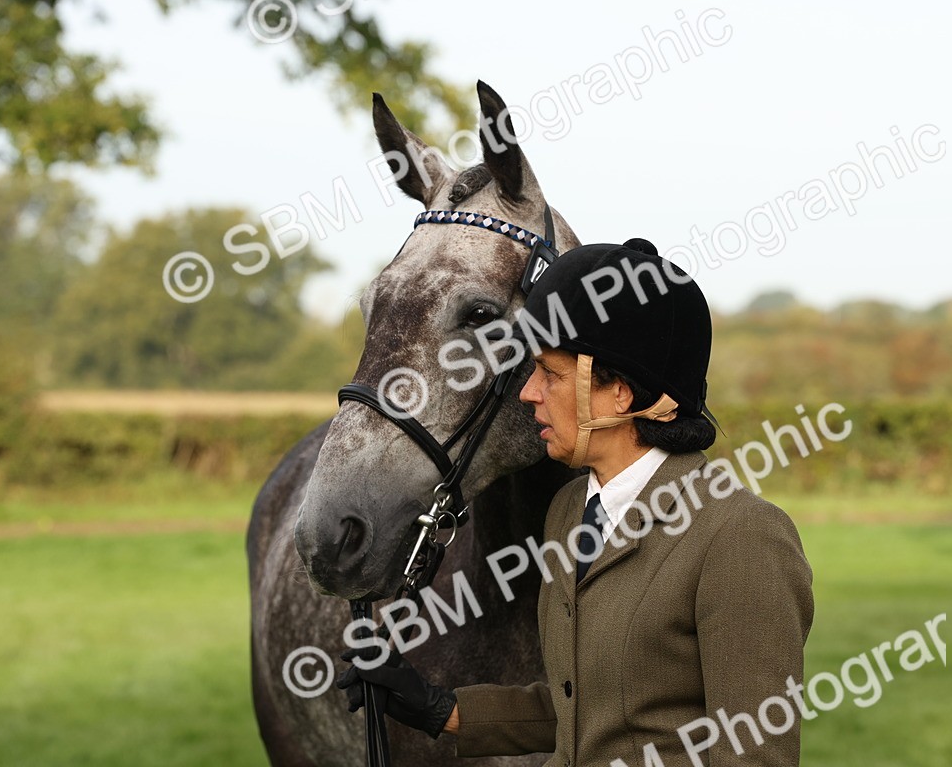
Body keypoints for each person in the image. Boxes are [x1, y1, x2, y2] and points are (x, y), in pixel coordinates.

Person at [338, 238, 815, 766]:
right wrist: (437, 709)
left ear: (621, 393)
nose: (528, 392)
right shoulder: (569, 512)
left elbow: (755, 755)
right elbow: (583, 707)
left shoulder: (741, 538)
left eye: (551, 374)